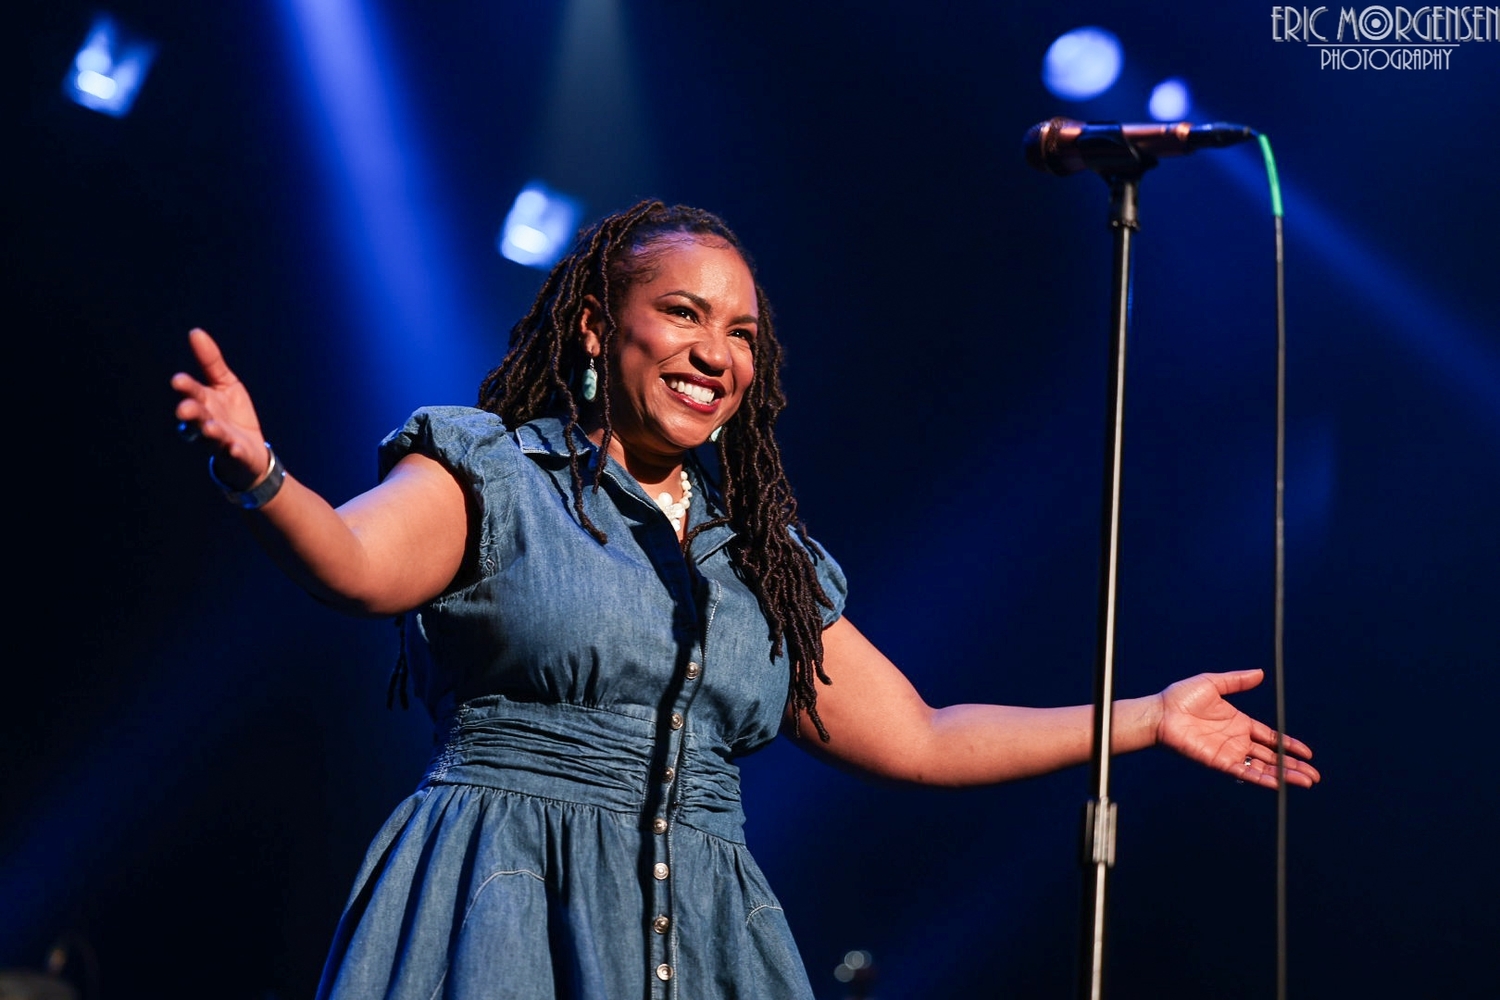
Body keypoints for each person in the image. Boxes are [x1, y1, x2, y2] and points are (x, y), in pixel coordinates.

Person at [170, 200, 1319, 999]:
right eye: (682, 313)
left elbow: (918, 733)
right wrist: (261, 475)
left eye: (741, 335)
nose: (714, 351)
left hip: (702, 935)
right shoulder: (494, 470)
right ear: (593, 327)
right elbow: (355, 565)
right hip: (500, 905)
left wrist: (1147, 716)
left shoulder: (757, 560)